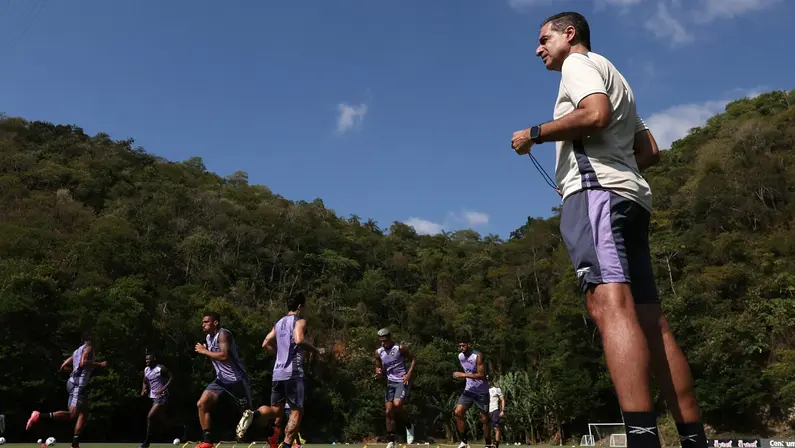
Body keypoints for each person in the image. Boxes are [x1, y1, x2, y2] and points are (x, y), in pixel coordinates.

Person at [510, 11, 705, 448]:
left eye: (544, 39)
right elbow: (649, 150)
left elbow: (594, 114)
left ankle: (641, 439)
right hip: (631, 198)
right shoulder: (617, 76)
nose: (538, 49)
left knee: (610, 308)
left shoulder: (579, 65)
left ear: (569, 34)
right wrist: (617, 167)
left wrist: (534, 133)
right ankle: (693, 439)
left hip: (595, 195)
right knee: (652, 322)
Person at [235, 293, 323, 448]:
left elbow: (265, 343)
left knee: (276, 410)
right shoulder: (299, 321)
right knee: (297, 411)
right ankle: (287, 445)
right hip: (293, 372)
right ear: (300, 306)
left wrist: (279, 356)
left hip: (278, 372)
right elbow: (299, 340)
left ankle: (254, 414)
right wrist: (315, 350)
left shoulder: (279, 323)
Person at [26, 332, 108, 448]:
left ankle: (75, 444)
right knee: (72, 415)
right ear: (89, 339)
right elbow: (83, 362)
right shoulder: (89, 348)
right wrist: (99, 364)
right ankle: (39, 416)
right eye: (96, 337)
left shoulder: (76, 352)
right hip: (77, 386)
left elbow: (63, 366)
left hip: (73, 383)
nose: (98, 339)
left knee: (84, 413)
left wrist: (74, 372)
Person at [194, 312, 252, 448]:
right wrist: (207, 351)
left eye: (206, 322)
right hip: (221, 381)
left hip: (236, 380)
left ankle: (273, 433)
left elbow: (224, 356)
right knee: (202, 404)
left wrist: (204, 351)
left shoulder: (223, 334)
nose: (203, 324)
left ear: (215, 323)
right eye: (203, 322)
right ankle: (207, 441)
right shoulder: (208, 337)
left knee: (249, 414)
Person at [374, 327, 417, 448]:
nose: (383, 343)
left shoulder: (400, 348)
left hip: (401, 381)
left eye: (385, 340)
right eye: (381, 341)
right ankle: (391, 440)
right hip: (390, 383)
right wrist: (378, 372)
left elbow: (413, 359)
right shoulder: (379, 352)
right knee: (388, 411)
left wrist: (408, 374)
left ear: (390, 338)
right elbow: (379, 368)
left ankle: (408, 424)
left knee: (397, 404)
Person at [452, 333, 491, 448]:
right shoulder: (460, 356)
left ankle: (488, 444)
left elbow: (481, 375)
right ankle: (464, 441)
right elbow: (468, 371)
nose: (461, 348)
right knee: (458, 412)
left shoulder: (477, 356)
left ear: (469, 344)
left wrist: (463, 375)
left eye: (463, 346)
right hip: (469, 389)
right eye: (459, 346)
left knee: (484, 419)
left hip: (482, 391)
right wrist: (465, 376)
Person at [140, 353, 174, 448]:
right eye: (146, 360)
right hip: (153, 397)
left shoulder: (160, 368)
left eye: (148, 360)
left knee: (150, 417)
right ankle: (175, 431)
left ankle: (146, 442)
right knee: (160, 418)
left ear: (153, 360)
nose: (147, 361)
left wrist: (163, 388)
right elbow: (144, 381)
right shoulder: (146, 370)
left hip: (162, 395)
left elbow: (171, 377)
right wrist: (144, 389)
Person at [487, 377, 505, 448]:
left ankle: (496, 444)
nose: (488, 382)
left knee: (496, 428)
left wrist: (503, 410)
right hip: (487, 411)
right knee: (487, 429)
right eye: (487, 381)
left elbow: (502, 400)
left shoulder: (497, 389)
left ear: (491, 381)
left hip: (495, 410)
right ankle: (489, 444)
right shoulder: (484, 390)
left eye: (489, 380)